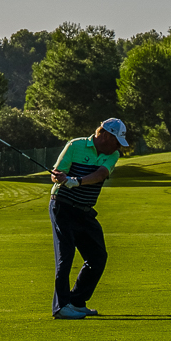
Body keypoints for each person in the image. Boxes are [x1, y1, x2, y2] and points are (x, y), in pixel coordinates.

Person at [49, 117, 128, 319]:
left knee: (97, 257)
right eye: (116, 141)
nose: (118, 146)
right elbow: (58, 172)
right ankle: (61, 307)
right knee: (65, 257)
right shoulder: (75, 146)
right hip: (63, 206)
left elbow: (101, 174)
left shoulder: (113, 154)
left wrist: (77, 181)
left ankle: (76, 302)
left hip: (84, 211)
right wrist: (61, 177)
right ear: (106, 135)